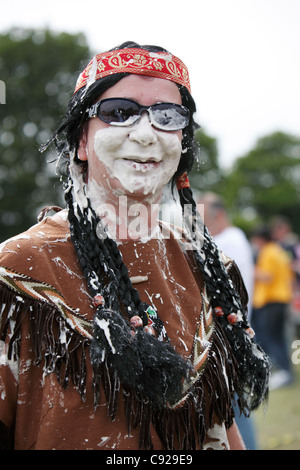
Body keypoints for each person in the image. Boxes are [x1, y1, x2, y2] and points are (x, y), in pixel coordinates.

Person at [0, 41, 270, 451]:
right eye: (119, 113)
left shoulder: (210, 265)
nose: (145, 134)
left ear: (182, 145)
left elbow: (220, 423)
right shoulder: (16, 271)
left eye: (167, 116)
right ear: (82, 143)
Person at [197, 192, 257, 449]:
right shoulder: (235, 238)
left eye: (200, 218)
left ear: (217, 215)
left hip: (228, 339)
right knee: (232, 411)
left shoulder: (226, 241)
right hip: (234, 335)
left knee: (232, 413)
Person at [251, 226, 294, 390]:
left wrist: (250, 269)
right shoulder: (279, 251)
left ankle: (283, 371)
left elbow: (267, 276)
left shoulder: (268, 252)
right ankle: (286, 371)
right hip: (281, 298)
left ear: (261, 239)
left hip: (271, 300)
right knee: (279, 337)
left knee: (271, 338)